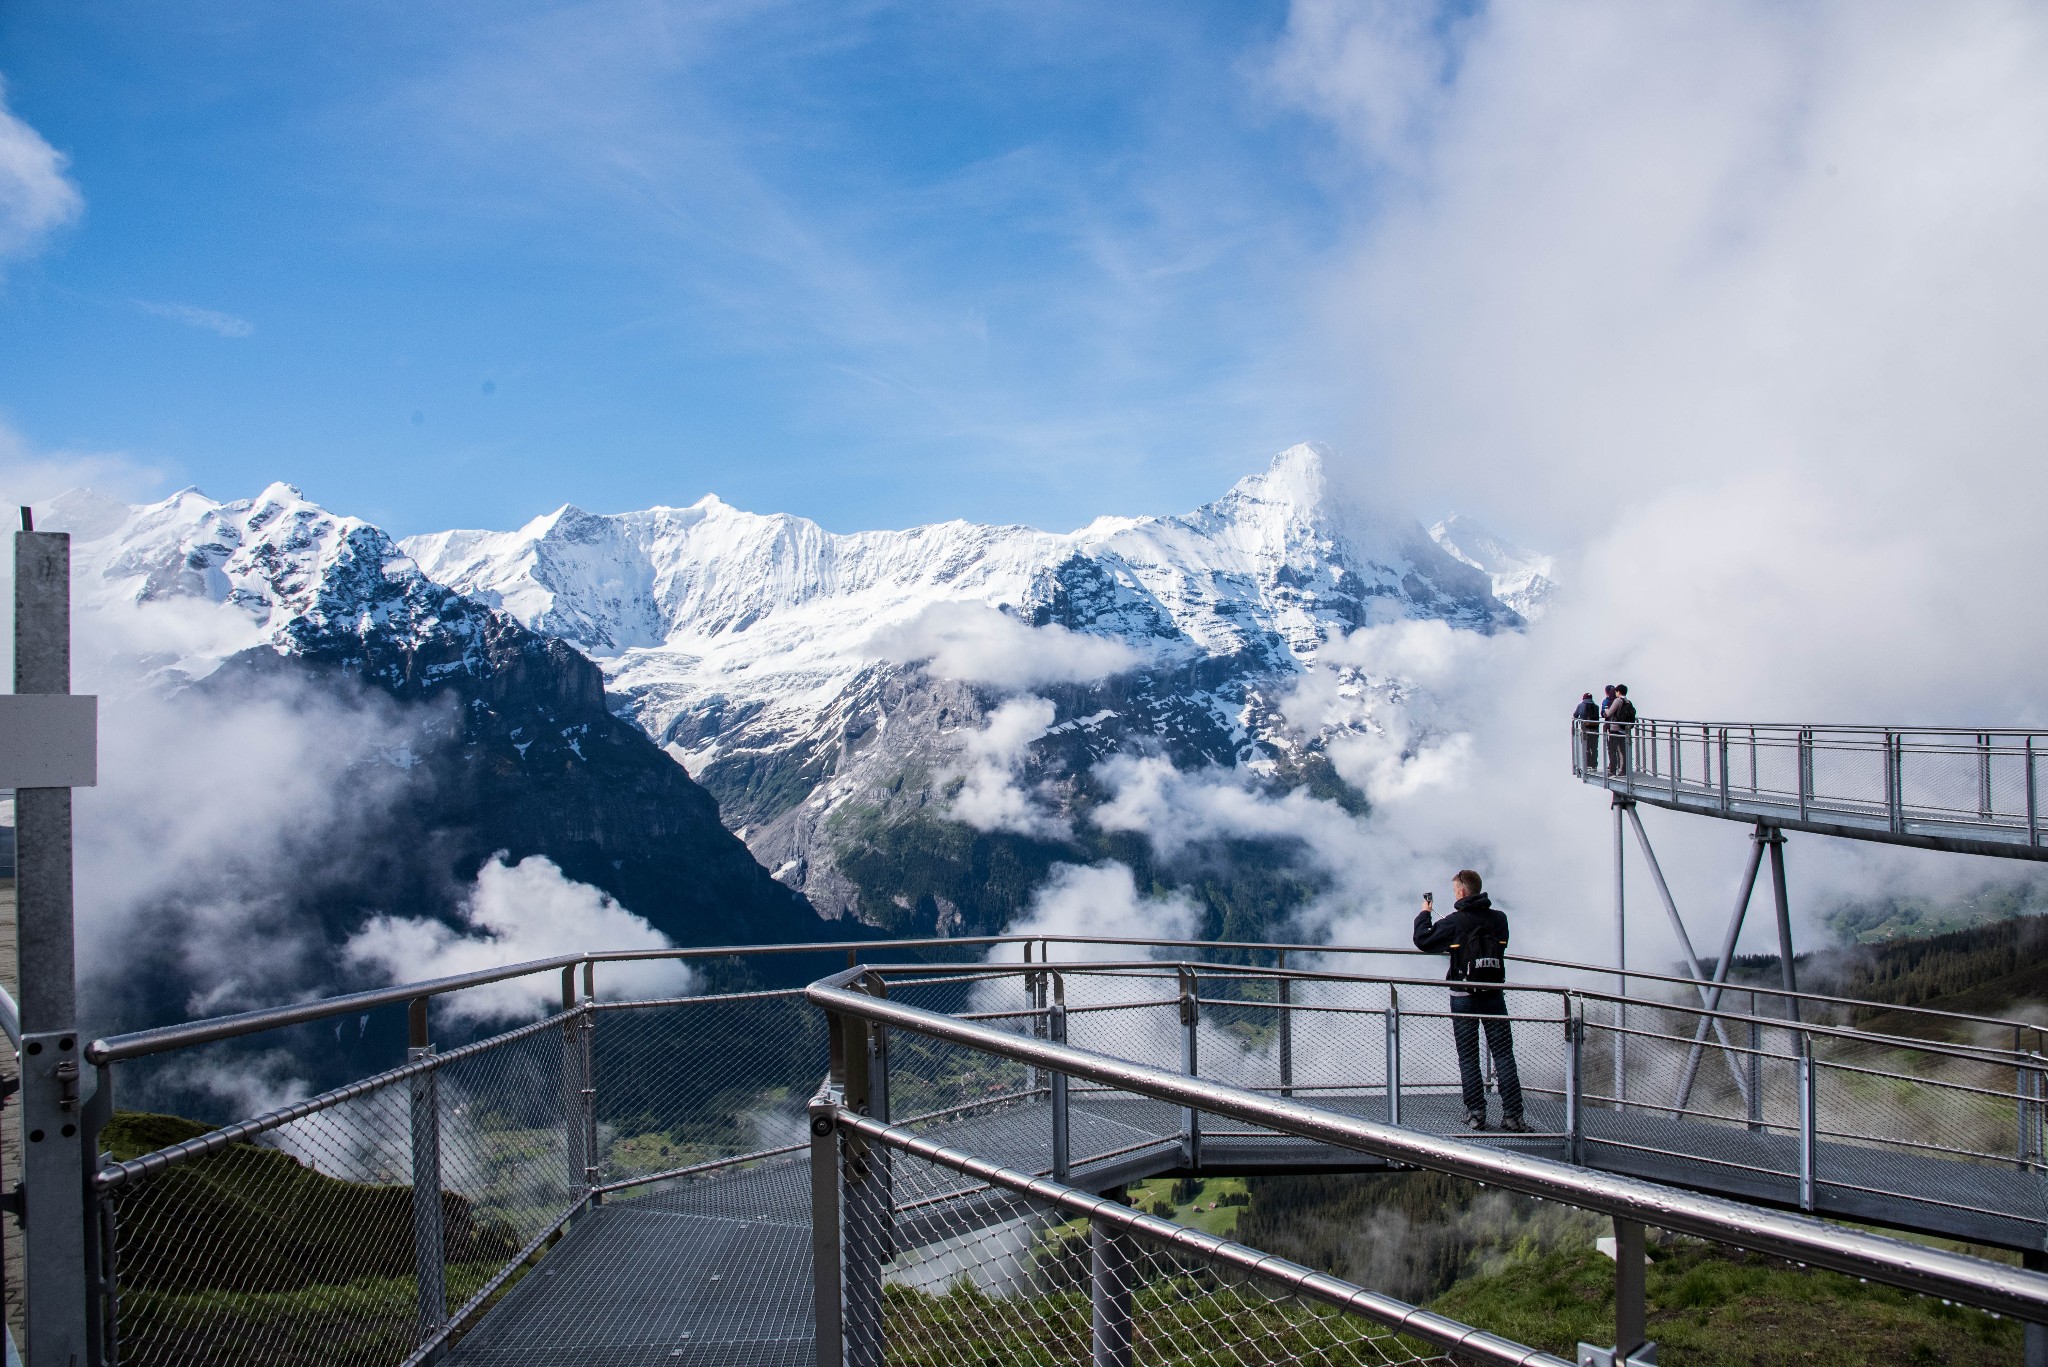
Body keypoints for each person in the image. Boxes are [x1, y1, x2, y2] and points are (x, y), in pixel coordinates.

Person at [1413, 870, 1528, 1132]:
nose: (1454, 894)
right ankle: (1513, 1115)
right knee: (1503, 1055)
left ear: (1462, 892)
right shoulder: (1499, 919)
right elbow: (1501, 946)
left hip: (1463, 995)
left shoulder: (1454, 922)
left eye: (1455, 890)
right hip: (1493, 993)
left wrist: (1424, 913)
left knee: (1468, 1056)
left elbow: (1423, 940)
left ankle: (1476, 1113)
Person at [1604, 683, 1636, 775]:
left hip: (1615, 729)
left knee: (1612, 750)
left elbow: (1609, 713)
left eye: (1616, 692)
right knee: (1623, 750)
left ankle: (1612, 771)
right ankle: (1623, 770)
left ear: (1618, 692)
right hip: (1624, 729)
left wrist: (1606, 710)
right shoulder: (1628, 702)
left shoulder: (1618, 701)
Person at [1573, 692, 1602, 771]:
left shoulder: (1580, 706)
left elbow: (1575, 715)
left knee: (1586, 747)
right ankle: (1594, 765)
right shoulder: (1596, 707)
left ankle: (1588, 764)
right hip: (1595, 730)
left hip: (1585, 730)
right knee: (1594, 748)